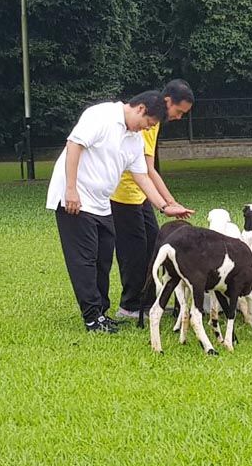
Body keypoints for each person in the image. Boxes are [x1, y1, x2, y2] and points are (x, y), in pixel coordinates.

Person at [46, 90, 194, 334]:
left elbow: (141, 176)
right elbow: (74, 145)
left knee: (103, 259)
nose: (148, 129)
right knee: (84, 260)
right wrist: (70, 190)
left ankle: (101, 313)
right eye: (149, 123)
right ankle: (92, 318)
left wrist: (164, 206)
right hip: (76, 201)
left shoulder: (134, 138)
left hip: (102, 203)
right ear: (141, 109)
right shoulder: (102, 115)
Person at [110, 79, 195, 319]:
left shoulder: (154, 123)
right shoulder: (147, 120)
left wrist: (170, 203)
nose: (178, 117)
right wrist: (168, 203)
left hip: (141, 195)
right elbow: (147, 170)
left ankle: (147, 303)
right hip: (123, 195)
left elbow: (149, 169)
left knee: (154, 246)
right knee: (134, 252)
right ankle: (129, 306)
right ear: (167, 101)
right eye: (179, 111)